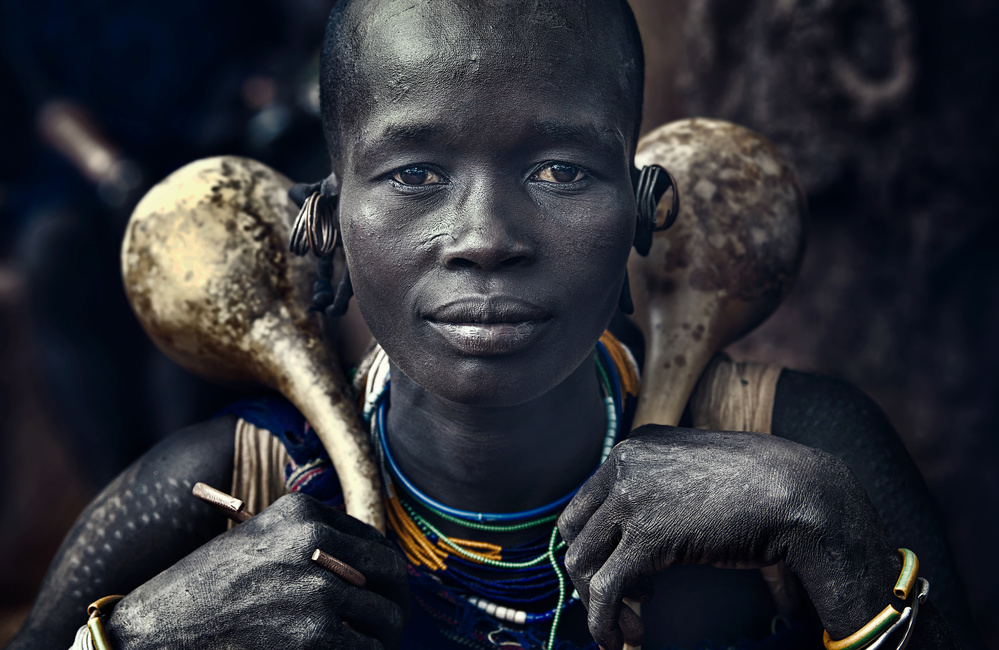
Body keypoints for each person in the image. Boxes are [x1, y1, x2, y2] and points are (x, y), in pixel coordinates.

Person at [7, 1, 982, 649]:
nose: (487, 238)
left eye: (560, 170)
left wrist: (836, 538)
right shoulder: (214, 494)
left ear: (646, 207)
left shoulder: (800, 451)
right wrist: (140, 634)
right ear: (325, 221)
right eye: (416, 174)